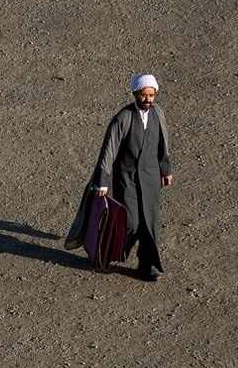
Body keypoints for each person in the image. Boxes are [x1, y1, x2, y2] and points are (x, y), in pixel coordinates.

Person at [65, 73, 174, 281]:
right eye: (143, 95)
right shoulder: (123, 117)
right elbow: (109, 150)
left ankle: (146, 265)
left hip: (151, 178)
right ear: (134, 93)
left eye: (152, 95)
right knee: (132, 222)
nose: (148, 100)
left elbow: (163, 144)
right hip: (127, 178)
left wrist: (165, 169)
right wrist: (102, 182)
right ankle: (105, 251)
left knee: (149, 223)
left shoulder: (158, 114)